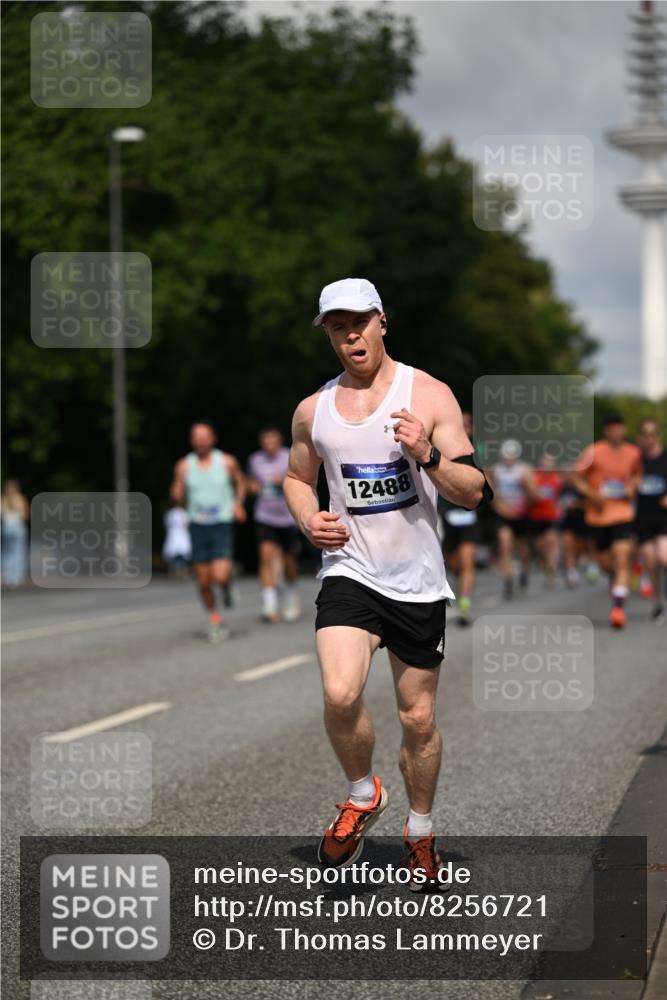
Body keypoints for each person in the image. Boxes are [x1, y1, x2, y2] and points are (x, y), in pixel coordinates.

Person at [283, 277, 490, 886]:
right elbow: (297, 477)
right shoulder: (312, 410)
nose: (349, 334)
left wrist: (427, 455)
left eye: (357, 321)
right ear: (327, 334)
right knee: (341, 691)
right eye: (335, 326)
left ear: (381, 321)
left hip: (418, 579)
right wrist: (306, 518)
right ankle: (361, 792)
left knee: (417, 717)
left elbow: (475, 491)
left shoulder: (427, 393)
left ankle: (421, 831)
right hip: (350, 569)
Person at [171, 421, 247, 641]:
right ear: (192, 440)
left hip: (221, 522)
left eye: (205, 435)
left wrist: (238, 503)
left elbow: (240, 482)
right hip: (197, 525)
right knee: (203, 581)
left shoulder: (226, 461)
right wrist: (178, 500)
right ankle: (215, 619)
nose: (201, 439)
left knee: (220, 574)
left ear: (213, 438)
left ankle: (226, 585)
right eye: (196, 435)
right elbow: (179, 493)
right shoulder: (184, 465)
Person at [572, 415, 642, 629]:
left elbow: (637, 474)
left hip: (622, 513)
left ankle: (618, 609)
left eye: (620, 428)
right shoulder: (594, 452)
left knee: (622, 559)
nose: (616, 432)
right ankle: (613, 577)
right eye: (612, 428)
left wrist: (632, 486)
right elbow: (577, 478)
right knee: (605, 563)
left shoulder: (633, 452)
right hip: (598, 515)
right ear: (606, 431)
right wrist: (592, 495)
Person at [247, 426, 301, 623]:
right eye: (265, 440)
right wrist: (252, 486)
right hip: (265, 515)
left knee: (289, 560)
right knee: (266, 557)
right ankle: (269, 603)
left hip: (287, 516)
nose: (269, 443)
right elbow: (251, 481)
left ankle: (291, 594)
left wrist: (285, 482)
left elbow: (302, 479)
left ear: (279, 440)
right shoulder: (255, 460)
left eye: (272, 439)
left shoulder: (289, 455)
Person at [440, 411, 481, 625]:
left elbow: (488, 479)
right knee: (455, 565)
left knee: (467, 562)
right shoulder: (439, 448)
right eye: (460, 424)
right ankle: (461, 588)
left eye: (466, 424)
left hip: (469, 516)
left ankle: (464, 603)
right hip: (445, 516)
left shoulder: (478, 451)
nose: (463, 428)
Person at [487, 439, 535, 599]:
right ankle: (508, 580)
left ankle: (525, 570)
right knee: (505, 545)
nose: (509, 459)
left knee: (522, 548)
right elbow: (492, 494)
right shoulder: (497, 470)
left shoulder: (524, 470)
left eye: (512, 456)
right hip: (504, 514)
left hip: (521, 514)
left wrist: (527, 488)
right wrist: (502, 508)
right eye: (507, 456)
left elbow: (534, 494)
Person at [634, 418, 667, 622]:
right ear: (640, 438)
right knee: (651, 563)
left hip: (664, 516)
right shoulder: (636, 460)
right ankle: (658, 603)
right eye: (645, 435)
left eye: (652, 434)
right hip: (643, 517)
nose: (649, 439)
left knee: (664, 556)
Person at [527, 452, 562, 588]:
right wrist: (534, 496)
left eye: (550, 463)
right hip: (536, 516)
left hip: (551, 516)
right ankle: (545, 565)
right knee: (540, 547)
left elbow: (558, 497)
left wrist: (558, 508)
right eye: (545, 463)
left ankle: (552, 569)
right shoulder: (535, 478)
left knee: (552, 541)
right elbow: (529, 497)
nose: (547, 465)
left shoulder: (557, 479)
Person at [1, 480, 29, 587]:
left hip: (6, 528)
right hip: (18, 528)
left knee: (6, 552)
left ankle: (6, 575)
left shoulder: (3, 499)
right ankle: (16, 576)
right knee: (18, 552)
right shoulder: (20, 499)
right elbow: (25, 515)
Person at [162, 502, 191, 578]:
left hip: (180, 536)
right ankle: (176, 571)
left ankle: (180, 571)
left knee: (181, 554)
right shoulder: (174, 513)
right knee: (176, 554)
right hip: (175, 536)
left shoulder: (181, 513)